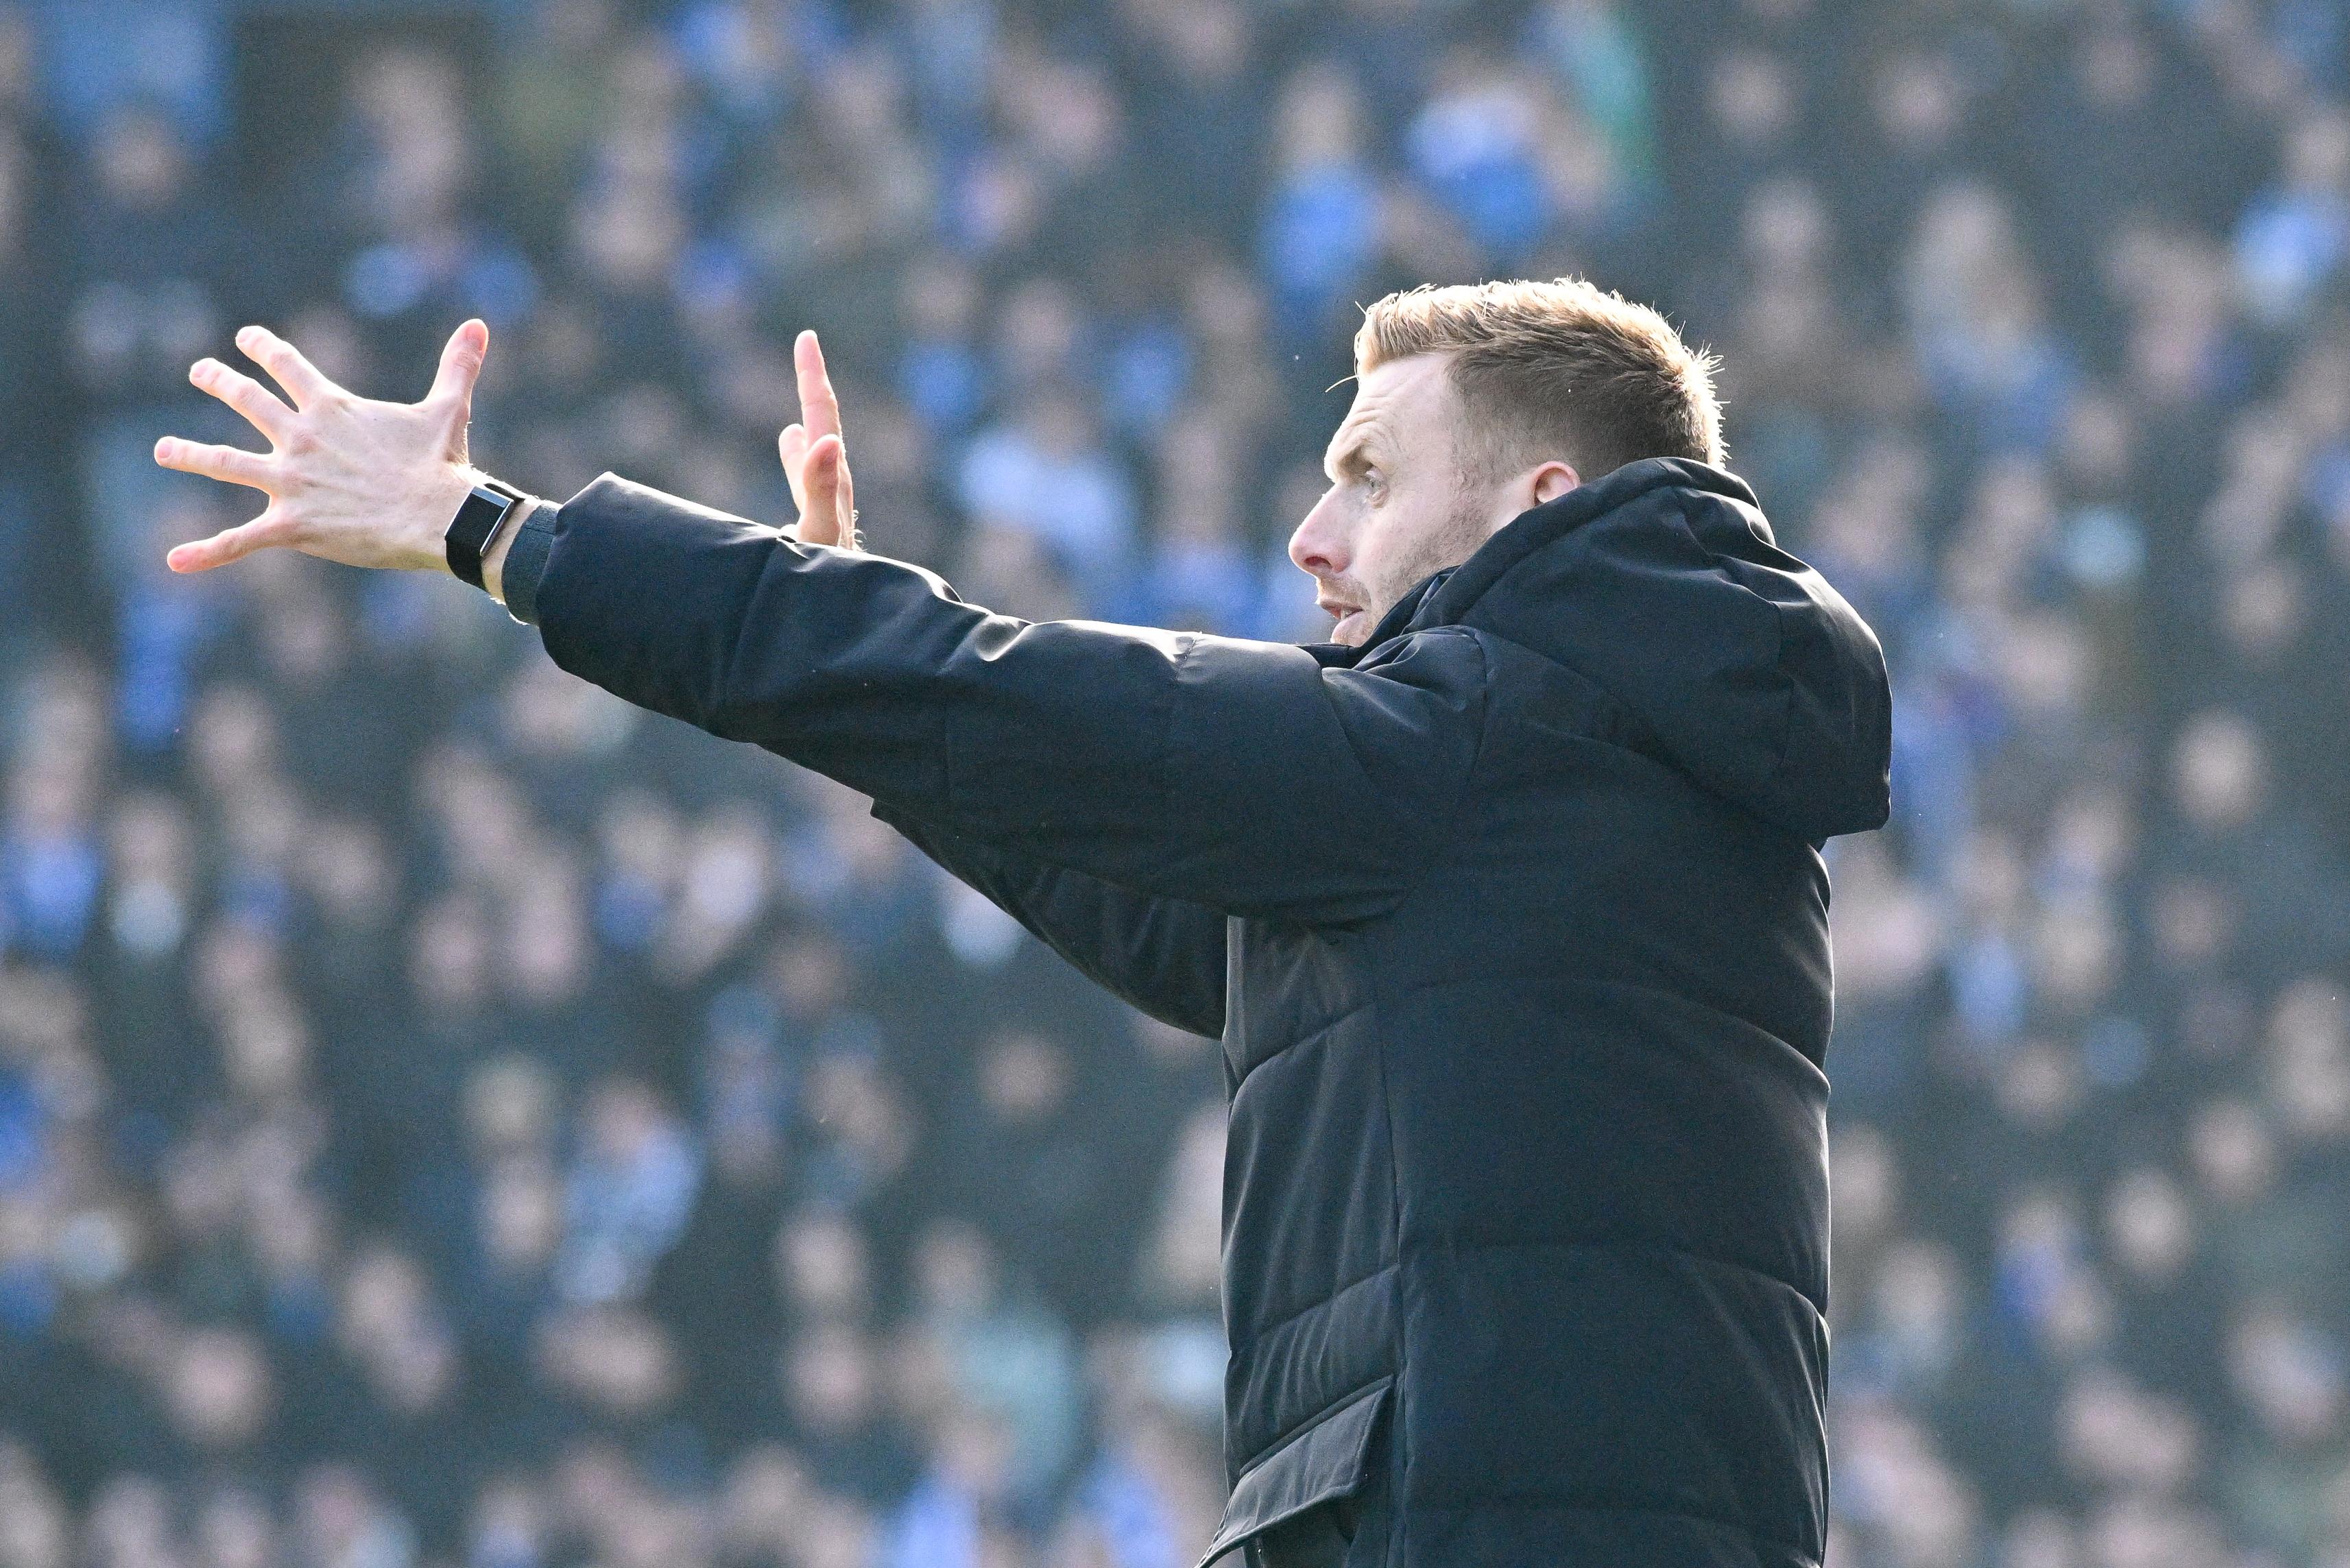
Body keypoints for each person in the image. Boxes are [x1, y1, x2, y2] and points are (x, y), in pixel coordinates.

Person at [156, 276, 1891, 1568]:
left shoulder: (1473, 746)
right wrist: (855, 694)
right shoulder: (1632, 785)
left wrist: (489, 530)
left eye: (1367, 474)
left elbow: (992, 698)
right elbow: (1169, 913)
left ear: (1538, 507)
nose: (1308, 534)